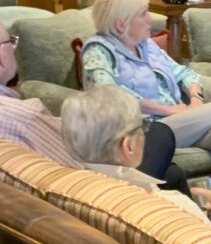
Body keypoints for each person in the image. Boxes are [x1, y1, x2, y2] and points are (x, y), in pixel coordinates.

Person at [81, 0, 211, 188]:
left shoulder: (146, 44)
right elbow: (110, 95)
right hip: (146, 130)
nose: (150, 19)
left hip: (176, 121)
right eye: (143, 14)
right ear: (121, 24)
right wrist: (171, 109)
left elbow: (183, 72)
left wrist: (196, 99)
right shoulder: (98, 50)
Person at [60, 85, 211, 230]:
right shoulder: (171, 204)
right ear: (128, 146)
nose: (146, 132)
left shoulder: (65, 192)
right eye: (142, 127)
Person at [0, 22, 189, 193]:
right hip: (95, 189)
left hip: (78, 180)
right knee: (159, 132)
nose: (147, 19)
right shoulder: (23, 116)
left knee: (173, 174)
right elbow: (74, 158)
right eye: (11, 42)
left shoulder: (147, 46)